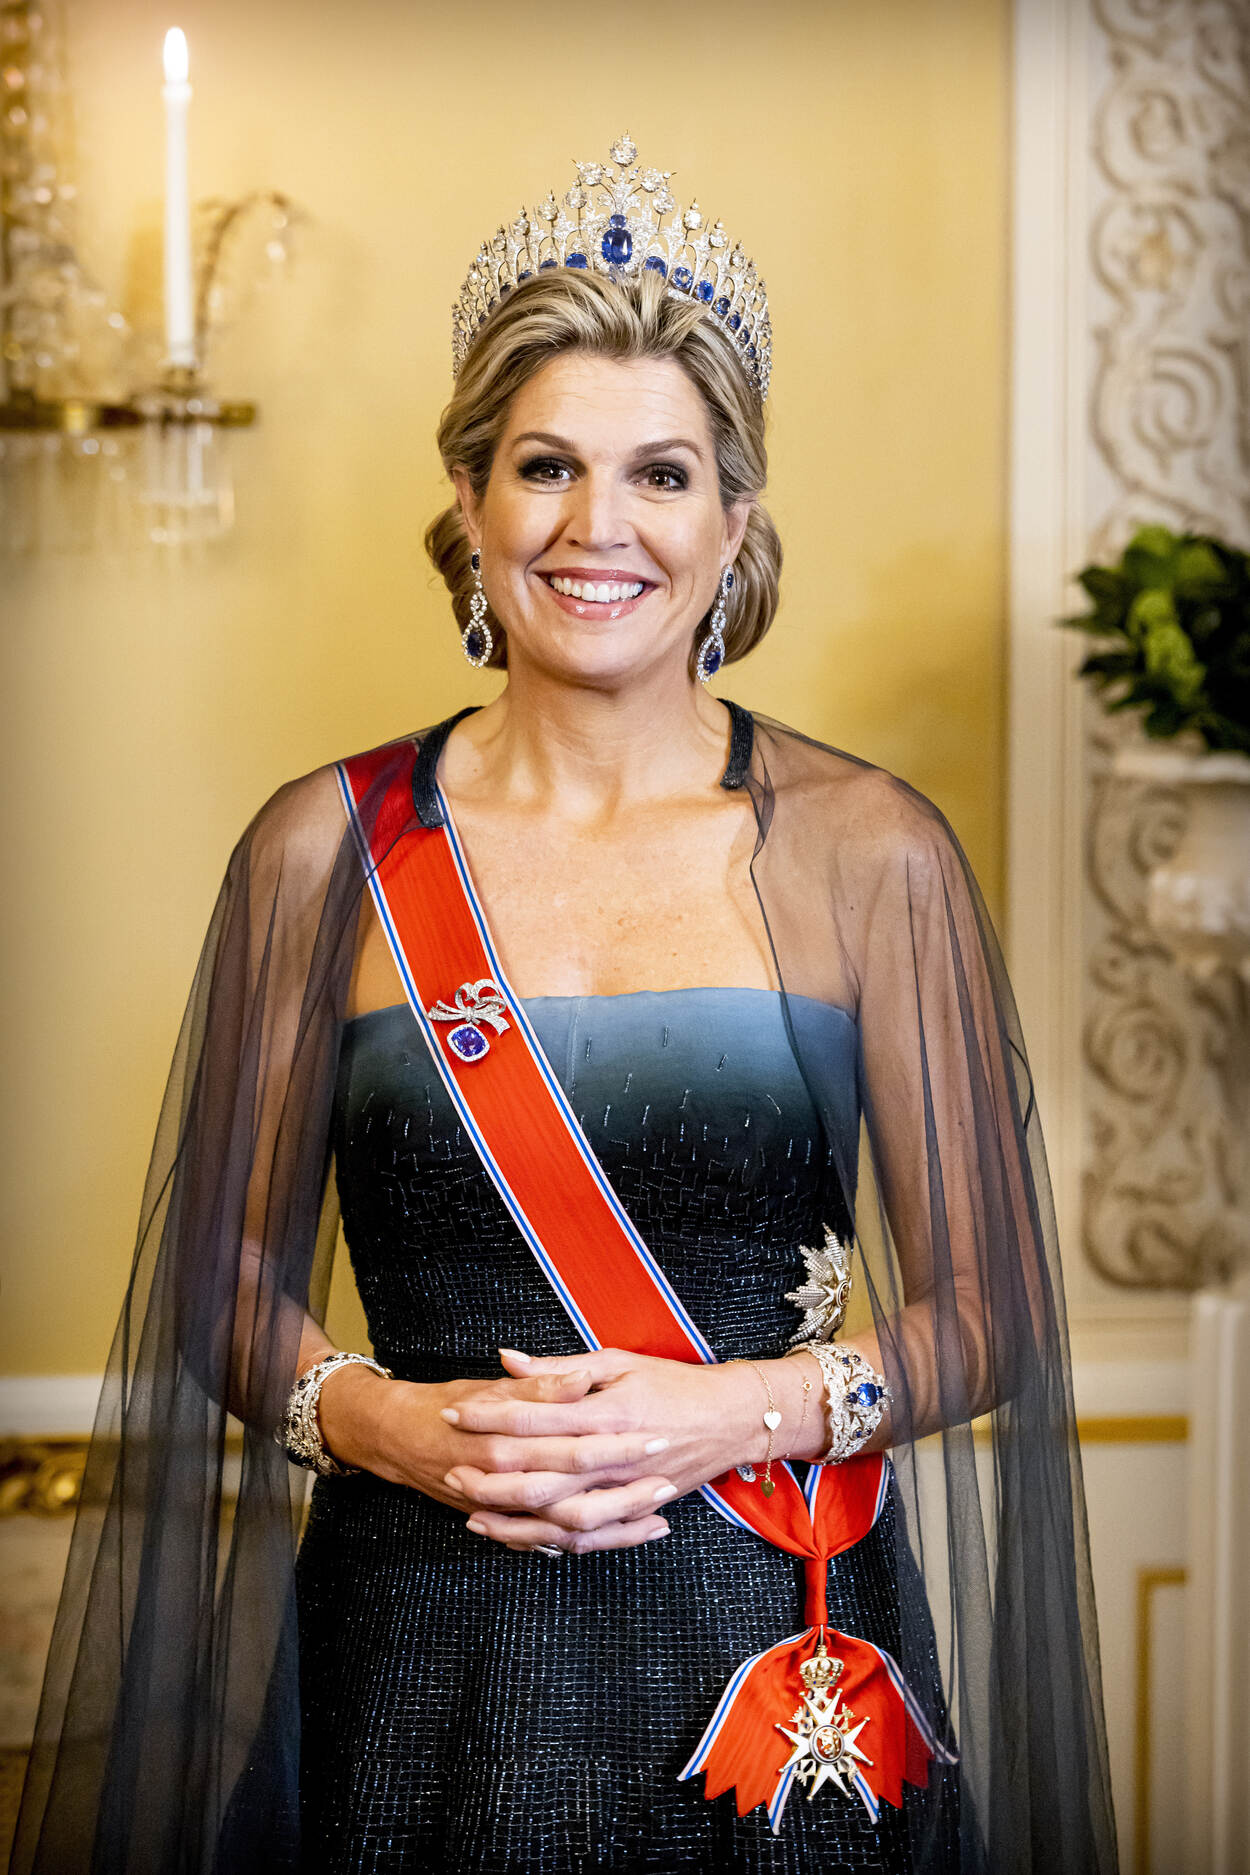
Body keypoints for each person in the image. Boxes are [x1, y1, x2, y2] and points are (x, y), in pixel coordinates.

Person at [11, 136, 1117, 1874]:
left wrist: (730, 1411)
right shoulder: (325, 849)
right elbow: (216, 1286)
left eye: (659, 474)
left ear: (732, 524)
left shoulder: (867, 852)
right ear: (469, 504)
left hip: (775, 1660)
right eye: (545, 467)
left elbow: (995, 1311)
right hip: (415, 1654)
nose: (599, 528)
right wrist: (392, 1425)